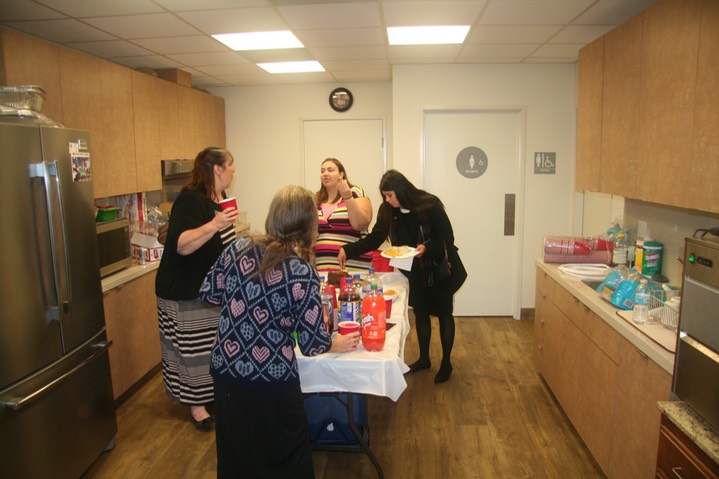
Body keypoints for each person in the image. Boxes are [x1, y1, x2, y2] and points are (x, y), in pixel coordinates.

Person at [200, 185, 360, 479]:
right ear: (308, 224)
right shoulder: (300, 271)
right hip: (270, 381)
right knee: (285, 457)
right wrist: (334, 343)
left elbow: (209, 294)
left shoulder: (237, 247)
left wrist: (243, 309)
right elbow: (312, 343)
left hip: (226, 372)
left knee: (237, 454)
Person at [338, 170, 467, 383]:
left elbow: (447, 238)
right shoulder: (388, 210)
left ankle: (446, 363)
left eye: (390, 195)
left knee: (445, 314)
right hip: (416, 272)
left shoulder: (429, 205)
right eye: (385, 196)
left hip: (439, 269)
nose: (387, 200)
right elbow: (375, 238)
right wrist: (347, 250)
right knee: (422, 313)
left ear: (401, 190)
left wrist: (426, 247)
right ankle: (424, 358)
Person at [155, 147, 238, 431]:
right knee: (191, 350)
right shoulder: (190, 200)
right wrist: (215, 224)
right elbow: (181, 243)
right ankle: (197, 406)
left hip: (209, 287)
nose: (233, 171)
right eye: (231, 166)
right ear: (217, 169)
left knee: (211, 346)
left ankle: (210, 394)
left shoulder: (221, 198)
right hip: (184, 288)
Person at [315, 157, 373, 271]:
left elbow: (361, 224)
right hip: (322, 268)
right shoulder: (316, 199)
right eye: (322, 171)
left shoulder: (355, 192)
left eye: (330, 170)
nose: (325, 174)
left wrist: (347, 197)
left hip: (353, 265)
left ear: (341, 174)